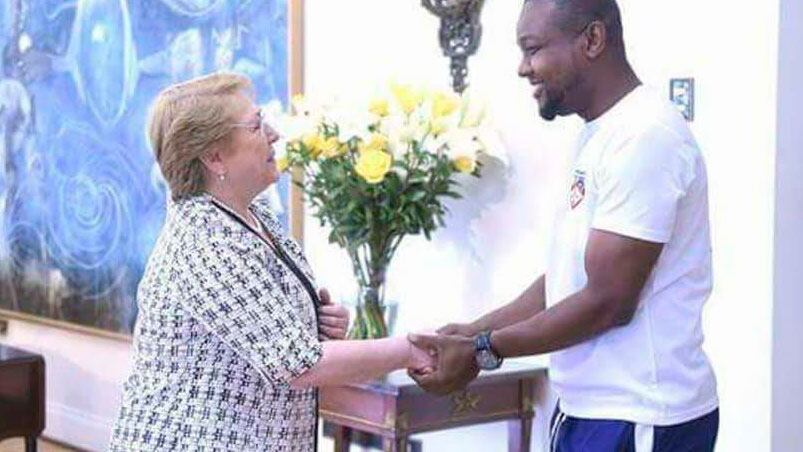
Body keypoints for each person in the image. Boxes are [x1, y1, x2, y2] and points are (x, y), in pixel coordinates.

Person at [409, 0, 719, 450]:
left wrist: (482, 350)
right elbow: (566, 280)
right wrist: (473, 331)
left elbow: (609, 302)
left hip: (640, 416)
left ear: (592, 40)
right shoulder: (599, 133)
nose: (523, 68)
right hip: (589, 410)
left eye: (532, 49)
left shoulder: (646, 135)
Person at [109, 73, 434, 451]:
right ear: (214, 157)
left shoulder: (251, 217)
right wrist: (410, 349)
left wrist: (320, 321)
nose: (274, 134)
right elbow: (298, 364)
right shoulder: (206, 241)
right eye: (256, 125)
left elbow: (269, 337)